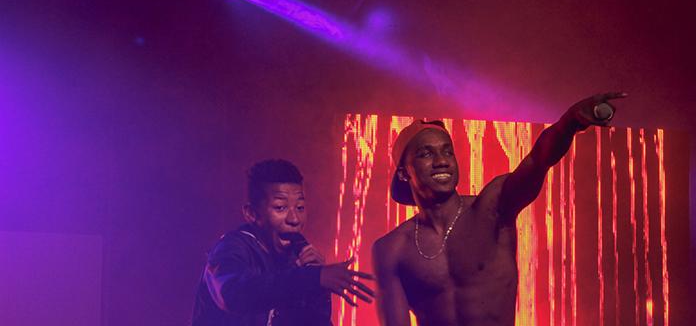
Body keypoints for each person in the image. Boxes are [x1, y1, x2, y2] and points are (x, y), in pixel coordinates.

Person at [372, 93, 626, 326]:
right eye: (426, 154)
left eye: (447, 152)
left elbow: (538, 160)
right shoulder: (392, 249)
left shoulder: (491, 207)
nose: (441, 162)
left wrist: (569, 124)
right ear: (404, 173)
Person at [192, 159, 375, 326]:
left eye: (300, 208)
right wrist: (310, 278)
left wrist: (318, 290)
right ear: (252, 214)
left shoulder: (295, 258)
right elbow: (233, 294)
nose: (294, 219)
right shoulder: (232, 248)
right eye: (280, 208)